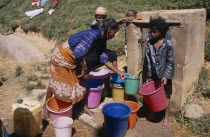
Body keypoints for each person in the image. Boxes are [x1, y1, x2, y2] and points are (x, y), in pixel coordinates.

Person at [43, 18, 126, 119]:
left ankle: (83, 107)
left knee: (82, 81)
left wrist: (118, 72)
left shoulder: (102, 40)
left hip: (75, 59)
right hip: (63, 56)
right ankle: (45, 107)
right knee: (56, 81)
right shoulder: (92, 35)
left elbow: (104, 59)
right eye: (115, 32)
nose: (114, 35)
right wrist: (85, 68)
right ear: (109, 30)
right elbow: (78, 54)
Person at [145, 17, 174, 128]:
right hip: (153, 74)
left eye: (155, 31)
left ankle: (166, 117)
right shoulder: (149, 44)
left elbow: (170, 61)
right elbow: (148, 60)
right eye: (151, 31)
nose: (152, 33)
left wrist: (166, 76)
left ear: (161, 31)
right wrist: (148, 74)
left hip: (164, 76)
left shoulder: (168, 44)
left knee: (166, 96)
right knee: (152, 95)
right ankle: (152, 113)